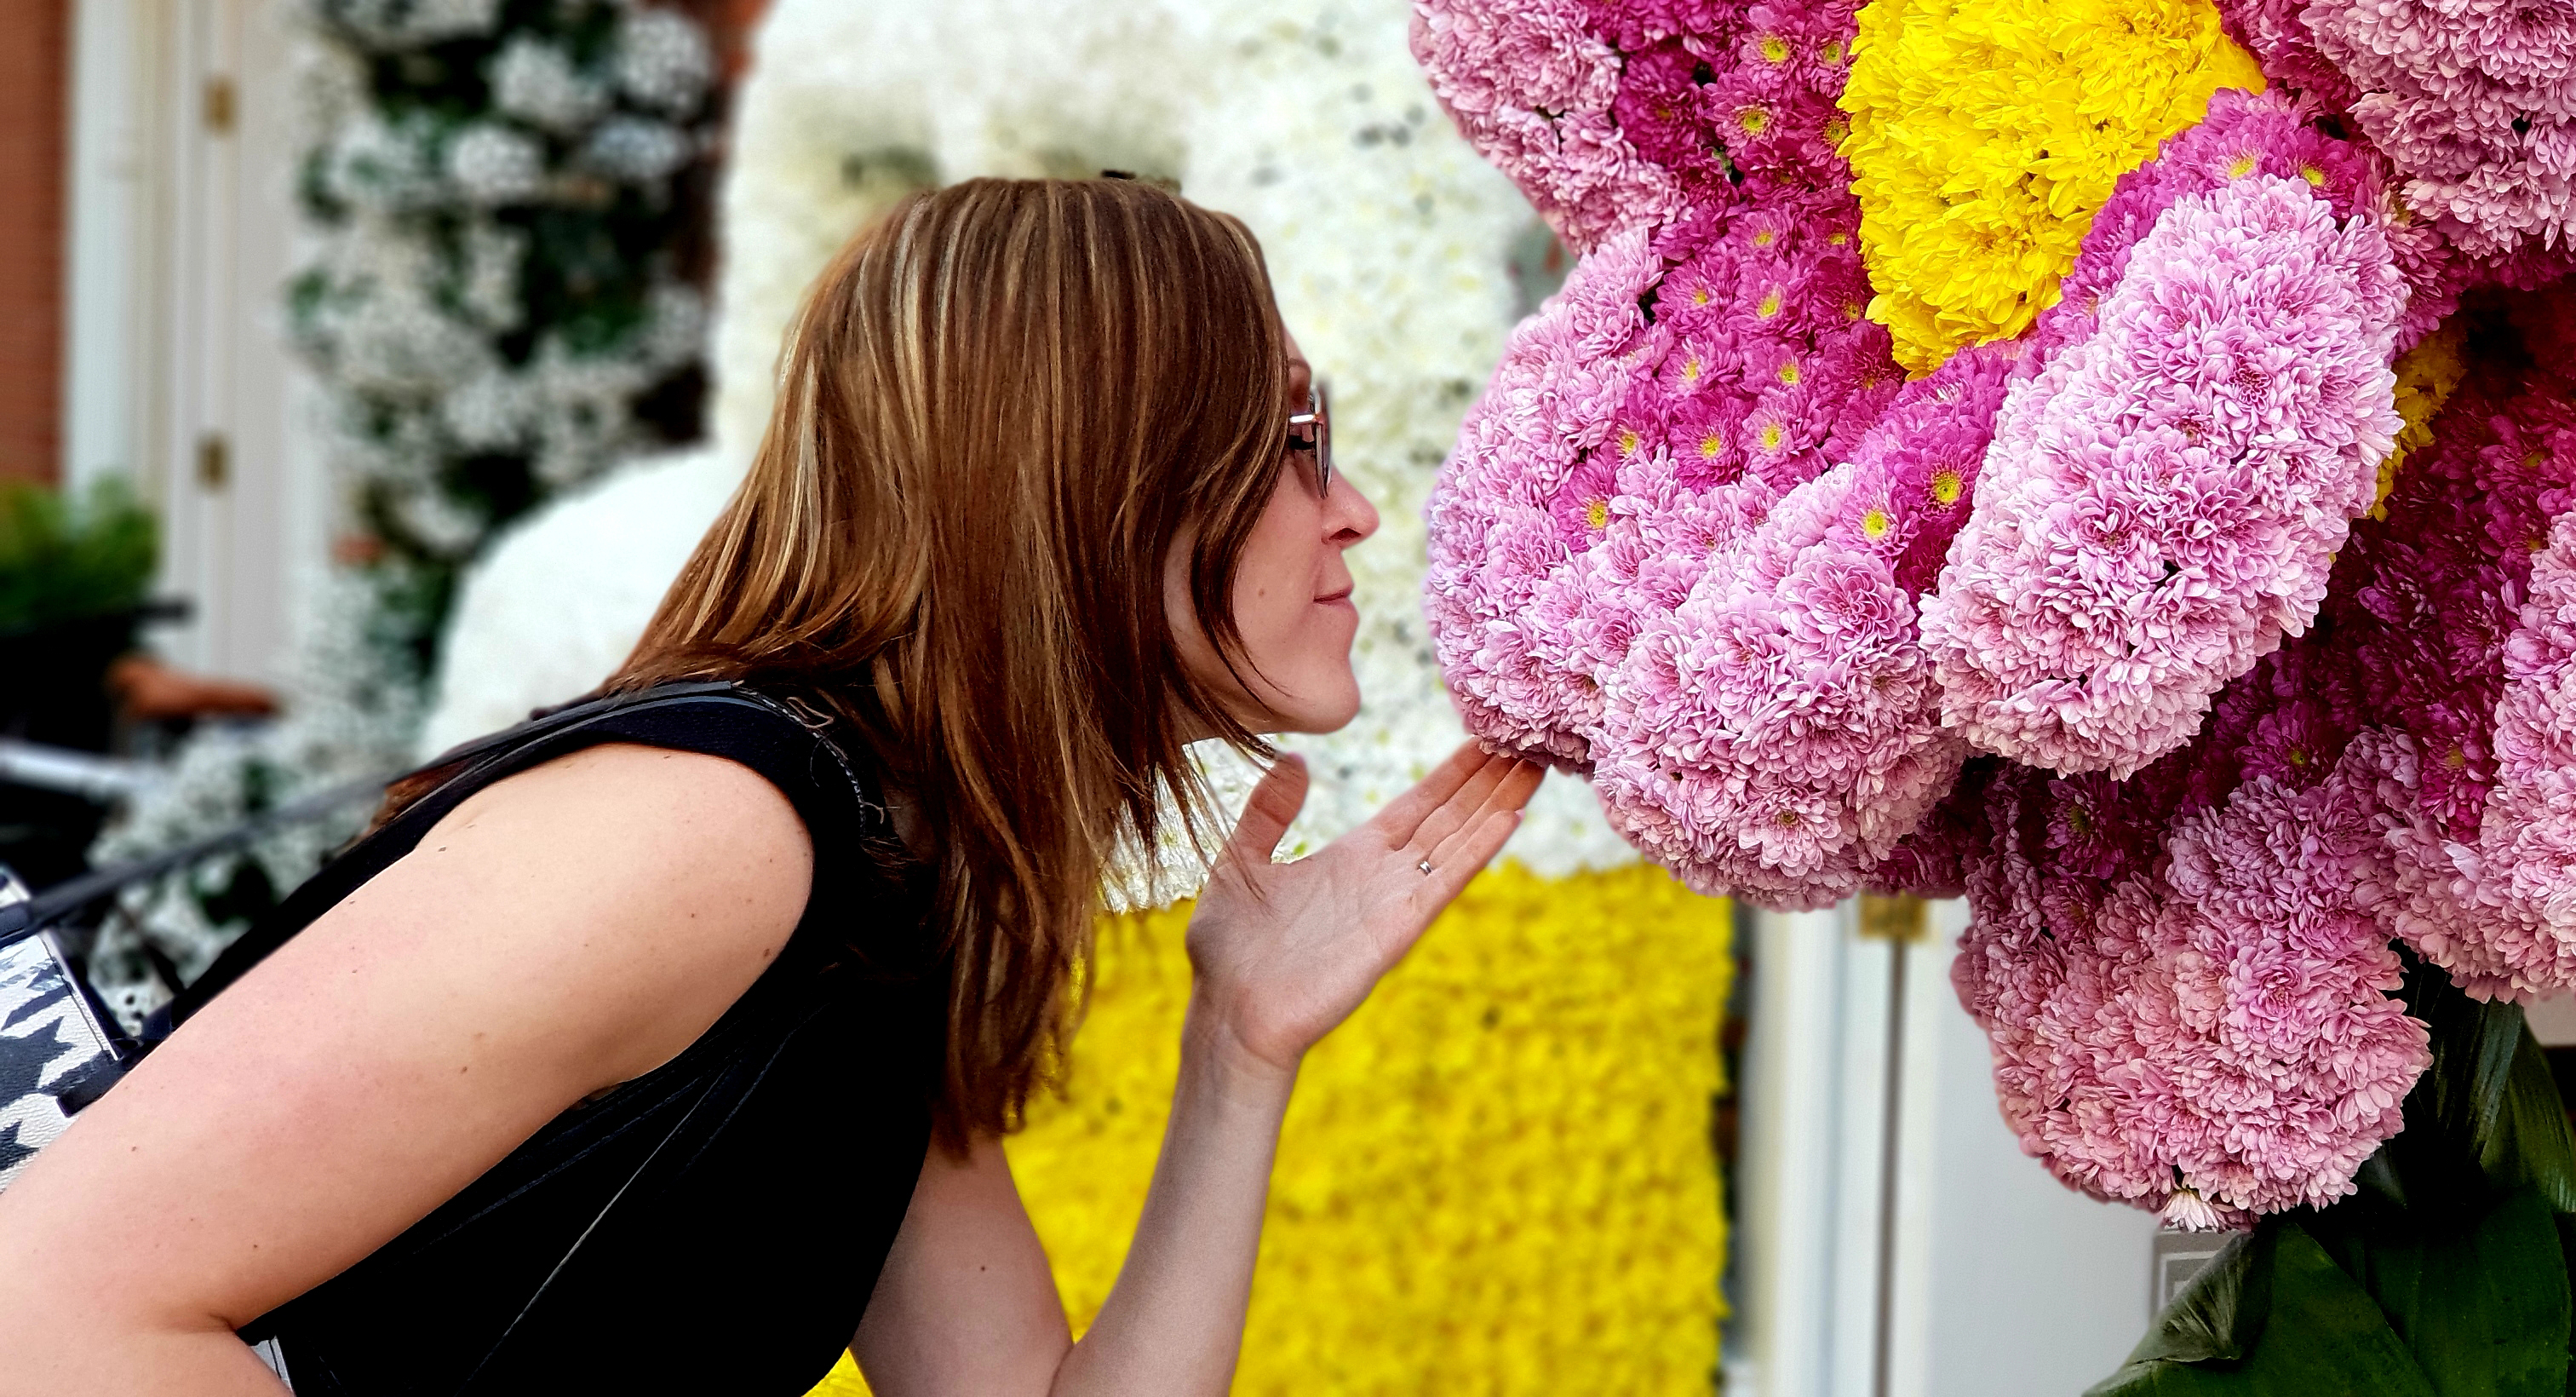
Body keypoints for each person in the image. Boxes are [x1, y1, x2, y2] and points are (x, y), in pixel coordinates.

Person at [0, 176, 1546, 1394]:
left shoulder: (886, 877)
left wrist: (1242, 1048)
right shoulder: (713, 837)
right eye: (1288, 438)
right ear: (1095, 480)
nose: (1351, 508)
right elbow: (46, 1311)